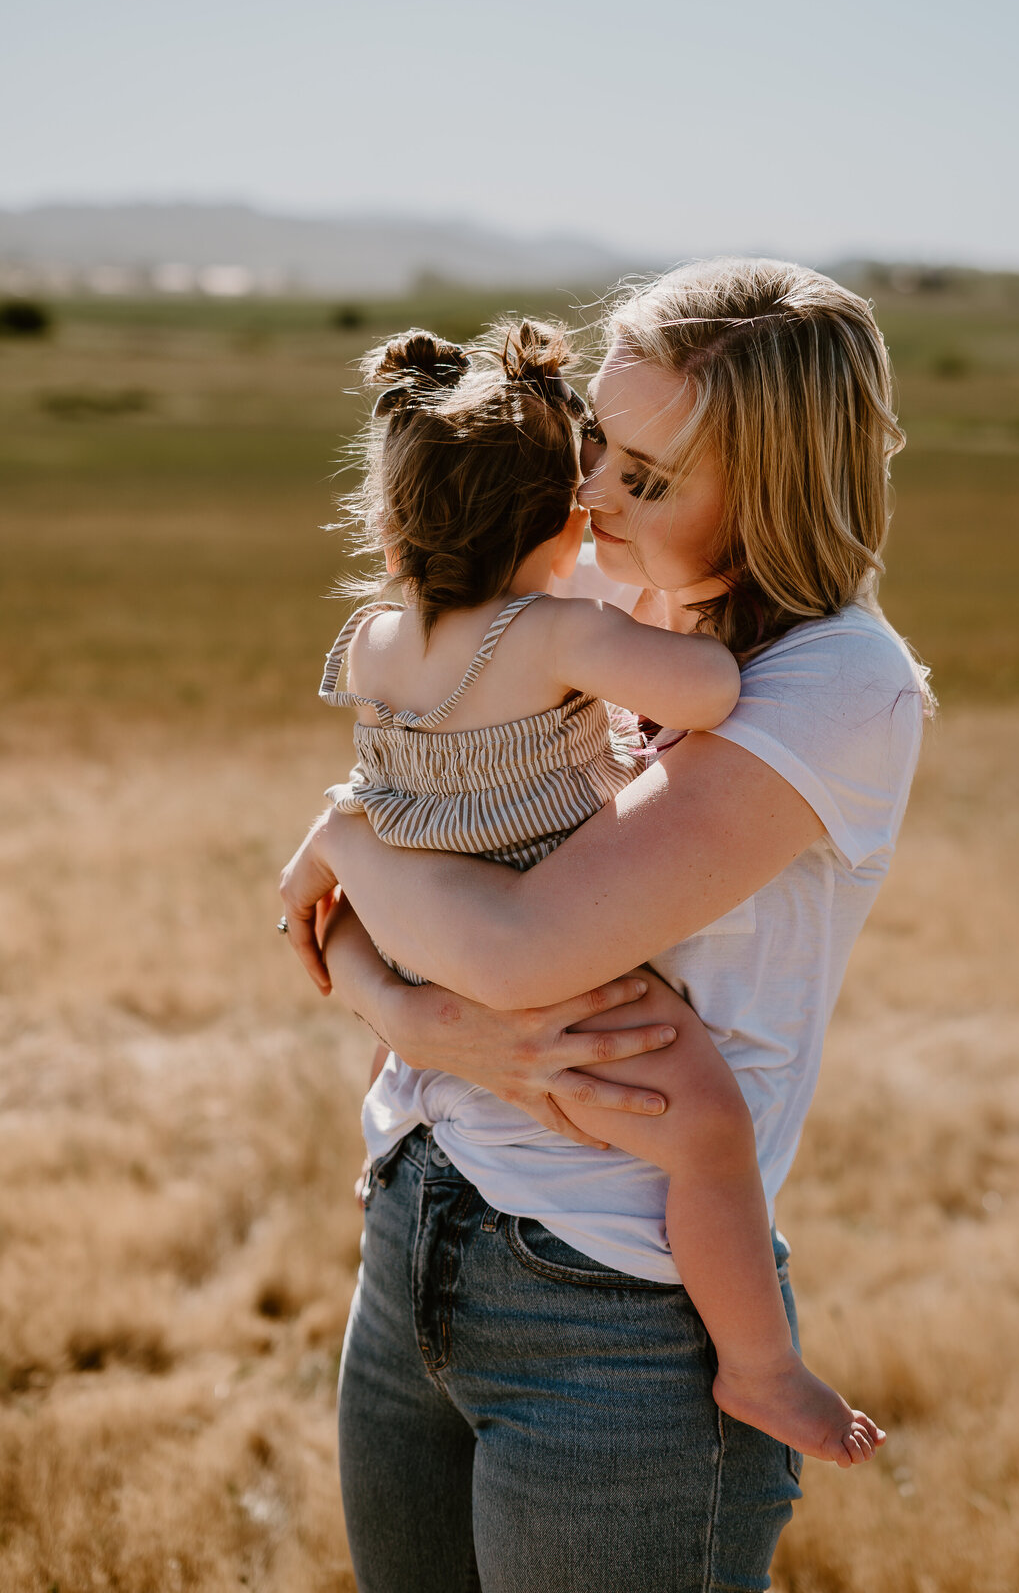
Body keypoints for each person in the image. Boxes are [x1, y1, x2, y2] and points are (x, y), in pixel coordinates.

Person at [281, 258, 929, 1593]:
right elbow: (351, 910)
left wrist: (344, 839)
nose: (590, 499)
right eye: (598, 452)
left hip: (612, 1311)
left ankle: (761, 1376)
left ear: (780, 485)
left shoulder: (835, 685)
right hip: (417, 1224)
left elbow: (513, 948)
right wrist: (410, 1014)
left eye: (648, 474)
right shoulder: (599, 600)